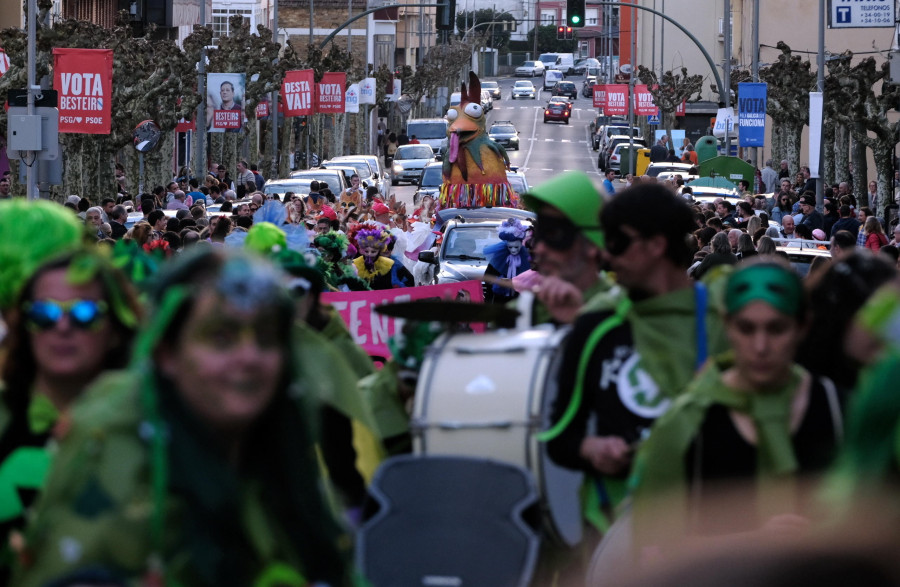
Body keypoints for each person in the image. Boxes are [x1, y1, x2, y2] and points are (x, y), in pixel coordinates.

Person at [13, 249, 353, 586]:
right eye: (221, 337)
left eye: (266, 338)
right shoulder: (128, 479)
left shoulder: (289, 462)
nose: (249, 357)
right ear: (166, 354)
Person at [546, 182, 728, 534]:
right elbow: (559, 437)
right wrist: (591, 447)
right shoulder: (597, 322)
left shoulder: (727, 320)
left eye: (617, 243)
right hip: (613, 531)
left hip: (710, 539)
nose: (608, 256)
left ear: (657, 245)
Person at [629, 260, 843, 560]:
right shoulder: (687, 421)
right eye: (746, 328)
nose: (760, 346)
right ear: (727, 324)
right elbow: (655, 549)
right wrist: (755, 542)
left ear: (803, 326)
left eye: (776, 328)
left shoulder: (836, 408)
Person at [0, 249, 140, 583]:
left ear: (116, 330)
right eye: (44, 313)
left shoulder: (154, 431)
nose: (62, 327)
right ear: (26, 327)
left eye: (85, 313)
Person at [482, 218, 531, 304]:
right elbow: (488, 278)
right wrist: (498, 282)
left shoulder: (528, 259)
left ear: (521, 245)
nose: (513, 250)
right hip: (500, 301)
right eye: (510, 247)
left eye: (516, 247)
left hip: (520, 301)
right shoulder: (498, 259)